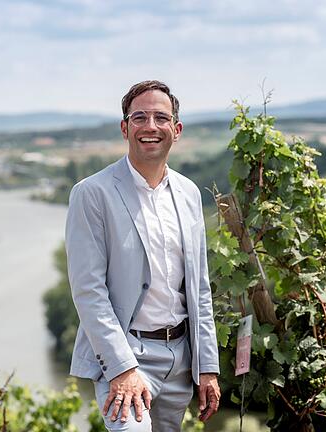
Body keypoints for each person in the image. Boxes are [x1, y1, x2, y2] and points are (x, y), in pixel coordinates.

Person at [65, 80, 221, 431]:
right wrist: (122, 368)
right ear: (125, 128)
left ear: (176, 130)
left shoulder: (189, 193)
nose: (151, 126)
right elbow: (88, 291)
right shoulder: (91, 193)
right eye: (140, 117)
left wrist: (207, 366)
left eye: (161, 118)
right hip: (126, 354)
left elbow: (199, 288)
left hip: (180, 359)